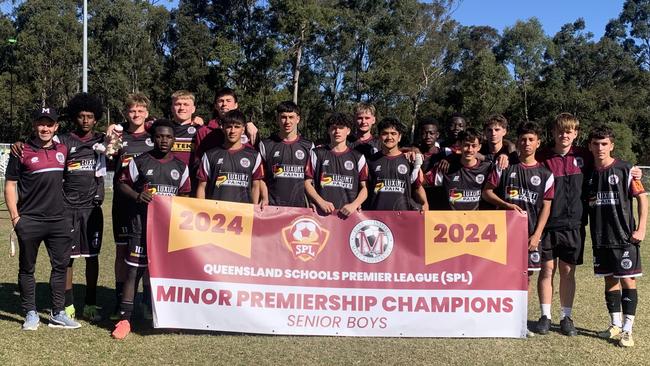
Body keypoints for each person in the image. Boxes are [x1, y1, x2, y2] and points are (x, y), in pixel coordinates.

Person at [112, 119, 190, 339]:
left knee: (166, 274)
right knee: (134, 272)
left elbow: (184, 195)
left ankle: (165, 317)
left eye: (168, 137)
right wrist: (137, 196)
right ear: (152, 138)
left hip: (168, 231)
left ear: (174, 140)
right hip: (141, 227)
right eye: (159, 136)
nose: (164, 140)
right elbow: (121, 183)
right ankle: (125, 319)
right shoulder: (140, 161)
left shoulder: (180, 167)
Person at [4, 107, 80, 330]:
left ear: (56, 127)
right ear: (34, 125)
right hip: (30, 220)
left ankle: (57, 313)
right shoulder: (21, 151)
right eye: (41, 123)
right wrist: (15, 218)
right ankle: (30, 313)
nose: (45, 128)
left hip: (59, 220)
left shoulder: (63, 149)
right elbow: (10, 185)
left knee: (60, 267)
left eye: (49, 124)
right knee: (27, 269)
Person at [482, 122, 554, 335]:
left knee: (527, 277)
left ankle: (519, 320)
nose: (527, 143)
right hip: (503, 234)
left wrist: (537, 235)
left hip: (530, 235)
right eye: (523, 139)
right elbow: (487, 192)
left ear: (538, 143)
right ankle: (498, 317)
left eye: (531, 139)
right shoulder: (505, 166)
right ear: (518, 142)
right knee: (501, 275)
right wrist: (506, 205)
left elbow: (546, 207)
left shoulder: (545, 174)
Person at [586, 125, 647, 348]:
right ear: (590, 146)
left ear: (611, 145)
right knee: (609, 279)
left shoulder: (626, 169)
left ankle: (628, 330)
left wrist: (641, 229)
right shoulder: (589, 172)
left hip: (624, 237)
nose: (600, 148)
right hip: (601, 238)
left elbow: (642, 199)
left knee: (627, 280)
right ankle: (614, 325)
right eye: (596, 143)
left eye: (604, 144)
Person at [534, 113, 592, 336]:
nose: (564, 135)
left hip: (574, 224)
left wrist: (632, 170)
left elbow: (608, 163)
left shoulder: (584, 156)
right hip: (548, 224)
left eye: (569, 131)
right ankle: (545, 316)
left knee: (568, 271)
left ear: (576, 133)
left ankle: (566, 316)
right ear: (553, 133)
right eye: (560, 131)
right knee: (547, 270)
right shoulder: (543, 156)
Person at [55, 93, 107, 322]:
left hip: (92, 208)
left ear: (96, 119)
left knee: (92, 257)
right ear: (75, 118)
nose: (85, 120)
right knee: (68, 258)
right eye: (81, 116)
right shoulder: (64, 140)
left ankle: (91, 303)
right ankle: (68, 305)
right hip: (67, 207)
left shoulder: (104, 140)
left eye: (90, 117)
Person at [110, 93, 154, 319]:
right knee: (121, 251)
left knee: (150, 254)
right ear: (126, 114)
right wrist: (109, 140)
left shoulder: (153, 136)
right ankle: (120, 301)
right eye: (132, 111)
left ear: (147, 113)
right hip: (122, 203)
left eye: (140, 110)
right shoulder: (118, 137)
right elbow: (108, 161)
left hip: (148, 206)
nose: (136, 114)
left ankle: (147, 302)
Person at [305, 112, 368, 216]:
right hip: (322, 214)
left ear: (348, 131)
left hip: (349, 215)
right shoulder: (317, 153)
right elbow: (307, 183)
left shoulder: (358, 157)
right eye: (333, 128)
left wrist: (354, 205)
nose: (337, 131)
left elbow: (365, 188)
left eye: (341, 128)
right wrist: (320, 202)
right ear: (328, 130)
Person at [196, 110, 265, 204]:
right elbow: (202, 187)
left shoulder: (254, 155)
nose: (232, 131)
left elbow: (256, 186)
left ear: (243, 129)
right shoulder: (210, 155)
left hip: (244, 214)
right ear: (223, 128)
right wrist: (202, 210)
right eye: (229, 127)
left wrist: (254, 210)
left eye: (237, 127)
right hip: (215, 213)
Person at [258, 101, 314, 207]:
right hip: (272, 207)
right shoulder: (266, 145)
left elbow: (309, 180)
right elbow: (260, 178)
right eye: (283, 117)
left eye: (291, 117)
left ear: (298, 119)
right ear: (277, 119)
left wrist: (312, 201)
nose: (287, 121)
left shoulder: (308, 146)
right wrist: (265, 198)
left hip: (299, 208)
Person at [366, 117, 428, 211]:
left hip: (402, 217)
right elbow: (365, 189)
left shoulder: (410, 161)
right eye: (385, 133)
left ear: (399, 137)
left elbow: (417, 187)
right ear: (379, 136)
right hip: (377, 218)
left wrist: (425, 204)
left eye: (393, 134)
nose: (389, 137)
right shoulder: (371, 161)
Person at [426, 128, 491, 210]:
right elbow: (419, 183)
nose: (470, 149)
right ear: (460, 145)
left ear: (479, 147)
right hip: (450, 221)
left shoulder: (487, 168)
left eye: (474, 146)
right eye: (466, 145)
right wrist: (424, 203)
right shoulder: (445, 167)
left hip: (476, 221)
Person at [418, 119, 450, 210]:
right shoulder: (413, 153)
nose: (428, 136)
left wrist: (449, 158)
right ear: (420, 135)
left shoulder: (446, 153)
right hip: (418, 197)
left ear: (437, 135)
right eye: (424, 133)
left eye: (431, 133)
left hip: (441, 198)